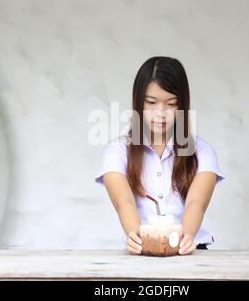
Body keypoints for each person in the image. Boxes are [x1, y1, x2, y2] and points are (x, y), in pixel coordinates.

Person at [95, 56, 225, 255]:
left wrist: (184, 238)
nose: (161, 112)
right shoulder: (118, 152)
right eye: (151, 102)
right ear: (138, 102)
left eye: (172, 103)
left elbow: (196, 203)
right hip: (140, 251)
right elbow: (124, 202)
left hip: (189, 251)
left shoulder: (202, 151)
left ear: (182, 105)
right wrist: (136, 237)